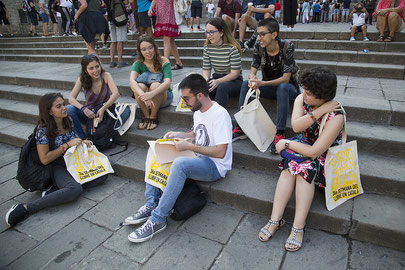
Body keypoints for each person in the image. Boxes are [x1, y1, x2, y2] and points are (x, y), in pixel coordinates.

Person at [125, 73, 232, 243]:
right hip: (198, 155)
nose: (184, 102)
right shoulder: (198, 110)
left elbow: (221, 152)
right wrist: (178, 134)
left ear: (200, 95)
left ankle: (158, 219)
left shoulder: (220, 114)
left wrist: (188, 146)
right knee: (156, 148)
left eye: (186, 98)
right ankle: (152, 203)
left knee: (180, 164)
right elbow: (197, 133)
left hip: (215, 166)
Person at [257, 66, 344, 252]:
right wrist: (316, 112)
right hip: (304, 142)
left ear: (323, 96)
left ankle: (298, 227)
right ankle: (276, 219)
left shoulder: (336, 116)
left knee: (304, 170)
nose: (304, 95)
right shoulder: (301, 98)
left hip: (323, 153)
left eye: (309, 93)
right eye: (304, 90)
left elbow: (315, 152)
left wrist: (287, 144)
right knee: (291, 168)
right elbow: (296, 126)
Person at [5, 93, 108, 227]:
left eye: (64, 104)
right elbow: (45, 159)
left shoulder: (68, 120)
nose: (64, 108)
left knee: (102, 175)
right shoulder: (43, 130)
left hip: (71, 160)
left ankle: (56, 190)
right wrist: (65, 146)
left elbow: (73, 141)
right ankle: (26, 208)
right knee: (75, 190)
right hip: (55, 165)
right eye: (59, 106)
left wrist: (83, 142)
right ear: (49, 111)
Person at [232, 18, 298, 155]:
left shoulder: (287, 46)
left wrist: (262, 83)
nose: (258, 38)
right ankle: (240, 126)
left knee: (283, 88)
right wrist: (252, 78)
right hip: (268, 86)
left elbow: (286, 79)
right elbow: (252, 69)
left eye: (262, 34)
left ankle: (280, 132)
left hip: (288, 89)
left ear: (274, 35)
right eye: (257, 34)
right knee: (245, 84)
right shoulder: (259, 47)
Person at [67, 54, 120, 139]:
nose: (96, 70)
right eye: (91, 68)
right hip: (90, 114)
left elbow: (116, 93)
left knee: (126, 111)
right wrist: (84, 109)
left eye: (97, 66)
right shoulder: (82, 79)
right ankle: (82, 138)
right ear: (85, 70)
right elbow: (71, 98)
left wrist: (103, 108)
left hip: (105, 112)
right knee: (69, 109)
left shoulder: (106, 75)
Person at [129, 35, 173, 130]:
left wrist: (151, 94)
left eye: (150, 48)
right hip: (146, 99)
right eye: (144, 49)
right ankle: (146, 116)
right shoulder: (138, 63)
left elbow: (168, 82)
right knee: (139, 85)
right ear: (140, 51)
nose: (148, 52)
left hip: (163, 96)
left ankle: (153, 117)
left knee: (155, 85)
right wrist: (143, 95)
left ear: (155, 47)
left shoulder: (163, 61)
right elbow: (131, 81)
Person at [202, 17, 242, 108]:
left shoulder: (232, 49)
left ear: (221, 32)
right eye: (207, 32)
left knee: (222, 87)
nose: (209, 36)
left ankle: (219, 117)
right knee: (203, 87)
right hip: (217, 78)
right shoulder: (207, 48)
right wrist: (205, 80)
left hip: (234, 81)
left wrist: (218, 81)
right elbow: (206, 69)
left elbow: (235, 73)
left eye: (212, 32)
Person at [149, 0, 184, 70]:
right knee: (171, 41)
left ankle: (165, 64)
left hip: (170, 13)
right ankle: (178, 62)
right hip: (162, 14)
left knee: (167, 39)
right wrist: (150, 8)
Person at [106, 0, 130, 68]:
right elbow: (126, 2)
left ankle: (112, 61)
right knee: (120, 40)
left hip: (111, 18)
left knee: (113, 41)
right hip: (119, 17)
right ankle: (120, 61)